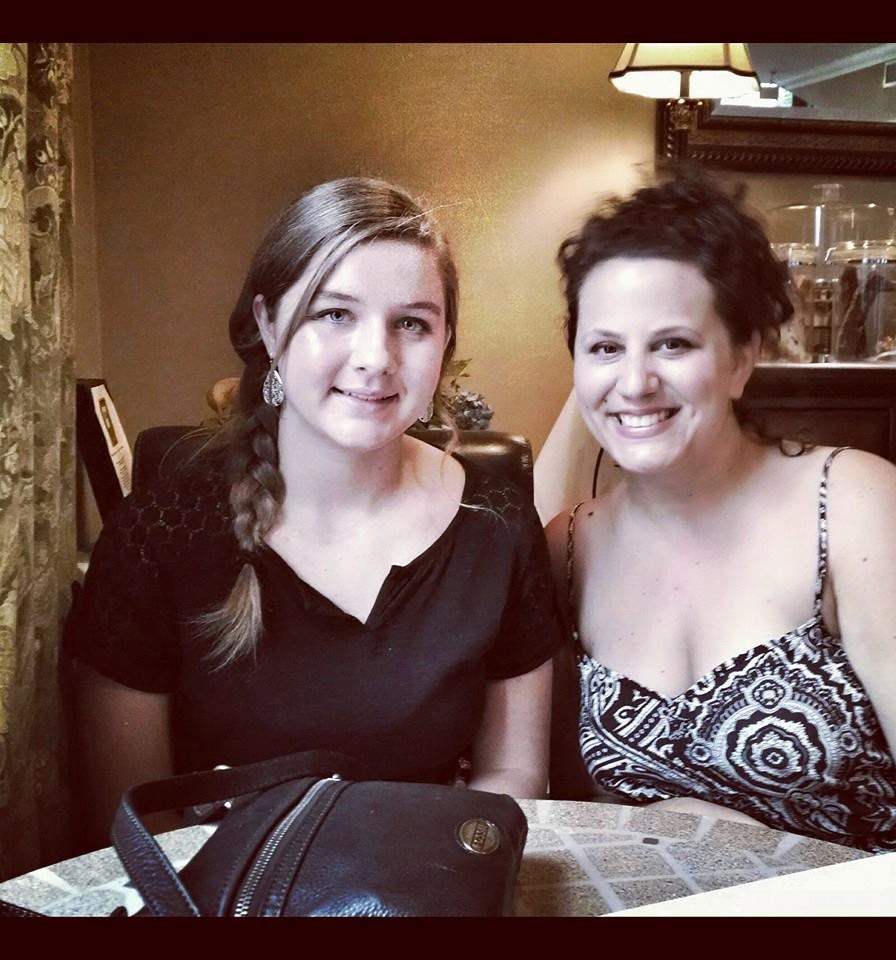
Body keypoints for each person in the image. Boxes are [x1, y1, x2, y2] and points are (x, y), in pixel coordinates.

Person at [72, 178, 560, 846]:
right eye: (334, 314)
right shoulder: (158, 534)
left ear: (445, 342)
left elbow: (513, 773)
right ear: (269, 325)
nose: (376, 358)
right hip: (216, 895)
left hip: (427, 884)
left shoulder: (497, 523)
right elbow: (131, 821)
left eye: (412, 323)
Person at [545, 170, 896, 861]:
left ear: (743, 357)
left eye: (673, 344)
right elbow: (575, 810)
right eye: (605, 348)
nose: (635, 382)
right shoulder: (567, 546)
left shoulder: (854, 507)